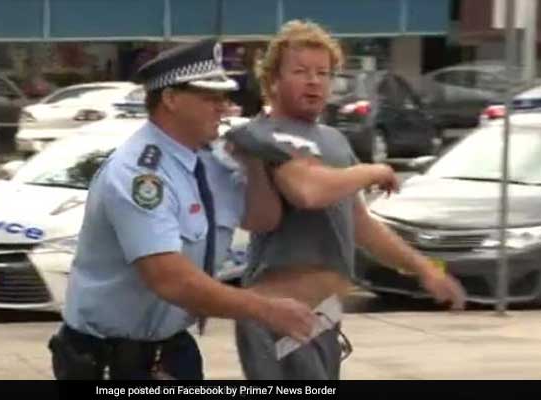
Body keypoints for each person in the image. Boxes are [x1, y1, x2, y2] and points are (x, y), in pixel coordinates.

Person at [47, 38, 319, 380]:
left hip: (173, 351)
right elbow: (170, 279)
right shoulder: (139, 175)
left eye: (224, 98)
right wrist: (265, 310)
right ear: (171, 99)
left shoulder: (210, 162)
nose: (223, 108)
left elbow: (262, 219)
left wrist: (254, 163)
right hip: (111, 359)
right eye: (210, 98)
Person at [228, 20, 467, 380]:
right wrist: (372, 172)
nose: (314, 81)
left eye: (323, 73)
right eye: (301, 71)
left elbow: (361, 226)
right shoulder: (262, 136)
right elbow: (309, 191)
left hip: (325, 316)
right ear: (273, 80)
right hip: (277, 316)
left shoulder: (333, 141)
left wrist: (424, 269)